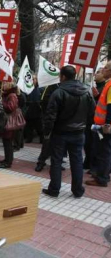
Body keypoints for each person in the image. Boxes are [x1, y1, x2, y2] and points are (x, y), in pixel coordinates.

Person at [42, 66, 95, 198]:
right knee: (77, 161)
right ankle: (77, 190)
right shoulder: (86, 91)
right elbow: (92, 112)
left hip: (60, 133)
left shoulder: (58, 92)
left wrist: (47, 132)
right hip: (79, 132)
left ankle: (54, 189)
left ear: (63, 76)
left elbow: (50, 116)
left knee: (56, 161)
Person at [86, 62, 111, 188]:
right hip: (100, 125)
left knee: (103, 152)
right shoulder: (108, 84)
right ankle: (102, 174)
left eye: (105, 68)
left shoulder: (110, 85)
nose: (103, 70)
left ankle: (102, 178)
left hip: (103, 127)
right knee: (102, 151)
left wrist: (107, 125)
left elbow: (110, 107)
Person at [35, 84, 60, 172]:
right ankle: (41, 162)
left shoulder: (66, 88)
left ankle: (57, 163)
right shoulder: (51, 87)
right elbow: (43, 102)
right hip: (51, 119)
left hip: (61, 122)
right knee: (47, 142)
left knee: (58, 145)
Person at [0, 82, 19, 169]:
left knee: (8, 143)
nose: (3, 85)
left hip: (9, 122)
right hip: (7, 121)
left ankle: (8, 162)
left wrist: (1, 102)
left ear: (10, 85)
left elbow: (11, 108)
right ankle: (7, 159)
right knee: (6, 142)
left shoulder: (12, 95)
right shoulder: (8, 94)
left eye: (5, 84)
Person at [24, 76, 43, 144]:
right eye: (31, 79)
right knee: (29, 126)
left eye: (34, 79)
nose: (32, 80)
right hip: (29, 110)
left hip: (37, 111)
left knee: (39, 127)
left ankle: (42, 139)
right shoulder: (28, 88)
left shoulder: (41, 89)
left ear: (37, 80)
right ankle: (29, 138)